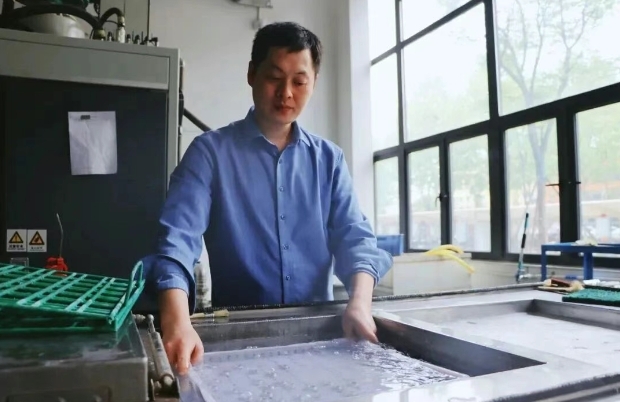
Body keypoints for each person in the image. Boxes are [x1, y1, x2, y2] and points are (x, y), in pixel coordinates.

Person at [144, 21, 393, 375]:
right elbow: (176, 242)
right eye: (274, 77)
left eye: (299, 82)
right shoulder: (210, 153)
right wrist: (177, 321)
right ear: (252, 74)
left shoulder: (329, 160)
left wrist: (360, 303)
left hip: (318, 340)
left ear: (314, 82)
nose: (286, 93)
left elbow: (355, 239)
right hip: (238, 339)